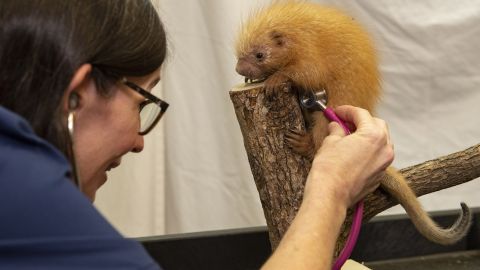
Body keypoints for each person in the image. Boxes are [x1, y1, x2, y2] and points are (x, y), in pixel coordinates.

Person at [0, 0, 393, 269]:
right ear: (78, 94)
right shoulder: (35, 206)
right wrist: (331, 190)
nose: (140, 141)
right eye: (141, 101)